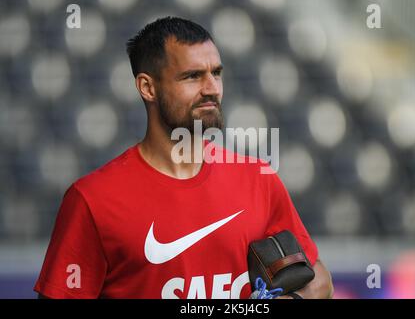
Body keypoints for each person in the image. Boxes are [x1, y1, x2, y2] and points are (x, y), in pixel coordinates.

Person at [34, 16, 333, 299]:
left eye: (216, 73)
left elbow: (319, 279)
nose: (212, 89)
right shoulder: (91, 200)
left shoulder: (258, 178)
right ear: (147, 87)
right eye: (192, 76)